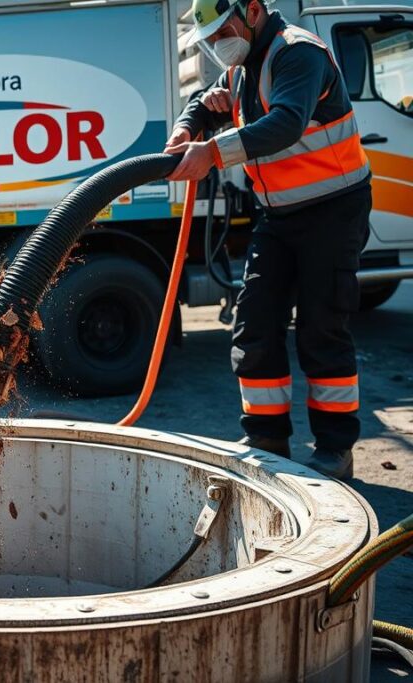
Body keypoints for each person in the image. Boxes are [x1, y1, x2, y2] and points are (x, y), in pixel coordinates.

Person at [165, 0, 373, 479]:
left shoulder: (297, 52)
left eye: (223, 33)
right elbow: (203, 99)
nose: (219, 46)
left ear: (253, 10)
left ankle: (334, 450)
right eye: (211, 40)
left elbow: (285, 124)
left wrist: (212, 151)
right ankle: (266, 437)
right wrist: (187, 128)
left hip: (333, 211)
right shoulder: (242, 68)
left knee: (323, 328)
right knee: (254, 324)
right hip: (278, 215)